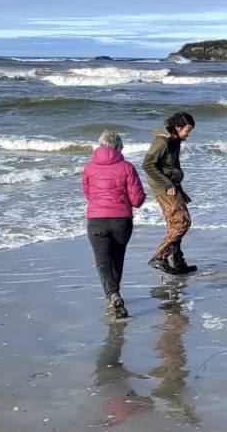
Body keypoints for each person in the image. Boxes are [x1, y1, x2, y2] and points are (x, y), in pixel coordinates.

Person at [83, 130, 146, 319]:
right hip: (121, 221)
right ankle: (113, 294)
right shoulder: (127, 167)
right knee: (117, 259)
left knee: (102, 262)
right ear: (119, 146)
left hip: (96, 220)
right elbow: (137, 200)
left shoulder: (89, 167)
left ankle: (112, 295)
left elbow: (88, 194)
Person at [143, 112, 197, 275]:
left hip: (171, 185)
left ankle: (178, 262)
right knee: (183, 222)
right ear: (178, 127)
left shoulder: (175, 140)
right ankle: (159, 257)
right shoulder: (163, 141)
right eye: (187, 130)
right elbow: (147, 164)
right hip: (164, 188)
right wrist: (167, 184)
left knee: (174, 225)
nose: (189, 134)